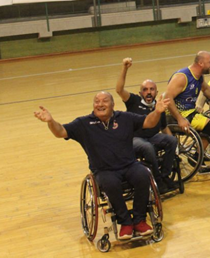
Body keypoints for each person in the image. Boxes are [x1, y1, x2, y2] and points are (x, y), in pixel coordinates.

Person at [34, 92, 170, 240]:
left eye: (105, 101)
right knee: (110, 183)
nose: (100, 104)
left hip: (129, 165)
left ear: (113, 105)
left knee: (143, 175)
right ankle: (125, 223)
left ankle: (139, 220)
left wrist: (157, 112)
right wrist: (50, 121)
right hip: (104, 170)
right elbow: (60, 132)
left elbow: (149, 122)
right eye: (97, 102)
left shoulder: (125, 118)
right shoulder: (83, 124)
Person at [116, 58, 177, 194]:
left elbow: (164, 128)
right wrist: (124, 68)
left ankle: (165, 175)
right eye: (145, 89)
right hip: (135, 139)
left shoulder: (158, 106)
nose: (148, 92)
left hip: (153, 137)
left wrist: (175, 147)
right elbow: (119, 90)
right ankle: (158, 180)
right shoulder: (133, 101)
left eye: (151, 89)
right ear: (140, 93)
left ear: (156, 92)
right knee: (147, 147)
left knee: (172, 141)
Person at [164, 51, 210, 172]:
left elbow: (206, 89)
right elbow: (167, 99)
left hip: (189, 112)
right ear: (200, 63)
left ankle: (200, 152)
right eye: (209, 62)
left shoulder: (198, 76)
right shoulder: (182, 77)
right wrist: (180, 119)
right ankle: (196, 157)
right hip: (174, 116)